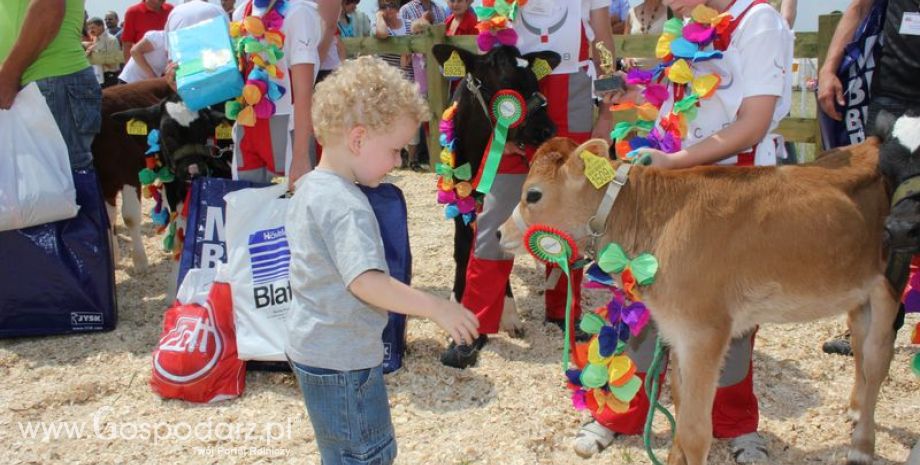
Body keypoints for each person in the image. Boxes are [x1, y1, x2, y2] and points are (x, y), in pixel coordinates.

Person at [572, 1, 794, 463]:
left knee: (724, 316)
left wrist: (676, 162)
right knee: (638, 291)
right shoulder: (691, 25)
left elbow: (753, 123)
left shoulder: (759, 23)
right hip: (674, 186)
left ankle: (735, 426)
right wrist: (632, 92)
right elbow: (681, 105)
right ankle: (621, 412)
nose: (665, 2)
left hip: (735, 195)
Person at [285, 55, 480, 465]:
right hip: (345, 362)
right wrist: (436, 307)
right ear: (358, 139)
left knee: (340, 451)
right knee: (365, 454)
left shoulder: (309, 187)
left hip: (313, 349)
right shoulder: (346, 205)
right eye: (394, 150)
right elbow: (366, 283)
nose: (396, 162)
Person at [440, 0, 618, 367]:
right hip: (513, 95)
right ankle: (476, 323)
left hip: (572, 90)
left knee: (572, 205)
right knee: (497, 210)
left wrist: (609, 111)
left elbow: (603, 41)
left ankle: (562, 310)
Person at [818, 0, 920, 356]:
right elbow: (859, 8)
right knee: (874, 222)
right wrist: (829, 70)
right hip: (888, 101)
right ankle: (866, 328)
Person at [0, 0, 101, 171]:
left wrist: (9, 77)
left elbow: (48, 6)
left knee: (64, 182)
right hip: (44, 83)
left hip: (49, 81)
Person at [230, 0, 321, 184]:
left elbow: (304, 92)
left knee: (290, 204)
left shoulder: (298, 12)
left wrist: (301, 155)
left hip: (286, 126)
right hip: (247, 126)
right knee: (247, 204)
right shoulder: (241, 13)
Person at [85, 16, 124, 88]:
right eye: (89, 29)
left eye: (93, 28)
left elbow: (113, 60)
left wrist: (94, 56)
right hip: (97, 76)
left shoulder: (111, 40)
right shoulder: (93, 39)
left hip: (109, 76)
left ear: (101, 26)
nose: (91, 31)